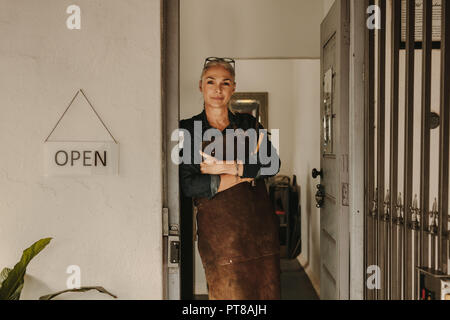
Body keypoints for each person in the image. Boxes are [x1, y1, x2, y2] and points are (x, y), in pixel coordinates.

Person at [179, 57, 281, 300]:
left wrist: (228, 168)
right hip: (221, 240)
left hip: (261, 233)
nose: (218, 89)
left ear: (233, 87)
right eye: (211, 81)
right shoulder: (190, 129)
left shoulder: (248, 124)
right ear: (200, 85)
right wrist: (246, 175)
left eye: (225, 83)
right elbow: (190, 184)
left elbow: (273, 163)